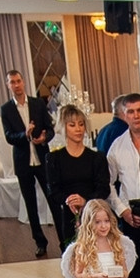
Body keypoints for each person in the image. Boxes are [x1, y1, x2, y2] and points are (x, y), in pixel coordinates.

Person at [1, 68, 57, 257]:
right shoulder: (6, 109)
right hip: (23, 161)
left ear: (23, 82)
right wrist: (23, 135)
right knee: (30, 203)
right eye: (12, 82)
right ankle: (40, 242)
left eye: (18, 81)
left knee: (53, 199)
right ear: (8, 85)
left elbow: (50, 129)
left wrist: (44, 138)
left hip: (42, 158)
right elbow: (9, 136)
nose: (16, 85)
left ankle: (64, 239)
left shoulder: (38, 103)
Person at [107, 94, 140, 278]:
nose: (136, 116)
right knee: (135, 270)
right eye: (131, 112)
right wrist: (122, 210)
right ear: (125, 115)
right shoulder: (117, 146)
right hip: (131, 215)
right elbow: (107, 183)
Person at [46, 103, 111, 250]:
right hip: (68, 216)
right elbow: (53, 191)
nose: (78, 129)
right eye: (72, 125)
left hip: (95, 215)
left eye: (81, 124)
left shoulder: (97, 158)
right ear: (64, 127)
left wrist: (85, 201)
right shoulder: (54, 158)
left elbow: (103, 188)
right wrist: (69, 200)